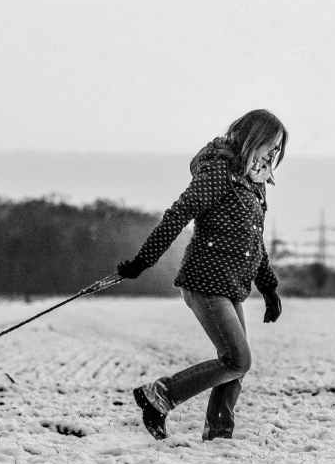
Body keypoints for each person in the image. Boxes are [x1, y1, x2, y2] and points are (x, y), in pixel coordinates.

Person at [117, 109, 286, 441]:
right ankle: (159, 395)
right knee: (238, 359)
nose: (274, 153)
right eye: (271, 144)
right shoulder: (218, 172)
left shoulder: (256, 182)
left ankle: (219, 437)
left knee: (234, 366)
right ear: (252, 137)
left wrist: (269, 287)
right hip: (205, 281)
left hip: (232, 285)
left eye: (279, 148)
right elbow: (178, 215)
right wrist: (142, 261)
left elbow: (255, 241)